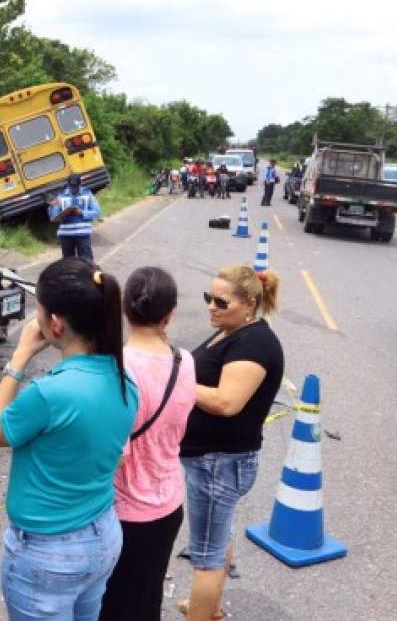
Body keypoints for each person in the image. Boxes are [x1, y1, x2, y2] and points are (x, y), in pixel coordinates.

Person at [0, 258, 138, 621]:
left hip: (49, 553)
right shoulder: (124, 381)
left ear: (54, 323)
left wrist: (19, 357)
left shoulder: (49, 393)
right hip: (102, 533)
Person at [178, 265, 284, 621]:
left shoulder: (254, 343)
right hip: (213, 459)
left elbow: (227, 402)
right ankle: (210, 609)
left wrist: (173, 382)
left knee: (205, 557)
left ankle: (201, 611)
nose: (211, 306)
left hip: (219, 462)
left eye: (221, 301)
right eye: (209, 297)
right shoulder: (228, 331)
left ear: (250, 304)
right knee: (217, 537)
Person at [100, 267, 197, 621]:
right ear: (170, 314)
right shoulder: (184, 361)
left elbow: (114, 455)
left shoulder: (116, 368)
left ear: (125, 309)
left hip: (121, 512)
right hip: (168, 505)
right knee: (146, 597)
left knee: (112, 604)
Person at [48, 173, 102, 260]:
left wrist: (82, 213)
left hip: (83, 233)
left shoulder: (87, 194)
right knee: (68, 262)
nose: (74, 188)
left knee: (86, 261)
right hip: (65, 234)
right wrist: (53, 206)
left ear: (80, 183)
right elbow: (53, 216)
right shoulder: (61, 195)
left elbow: (97, 212)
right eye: (72, 186)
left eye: (75, 186)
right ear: (68, 184)